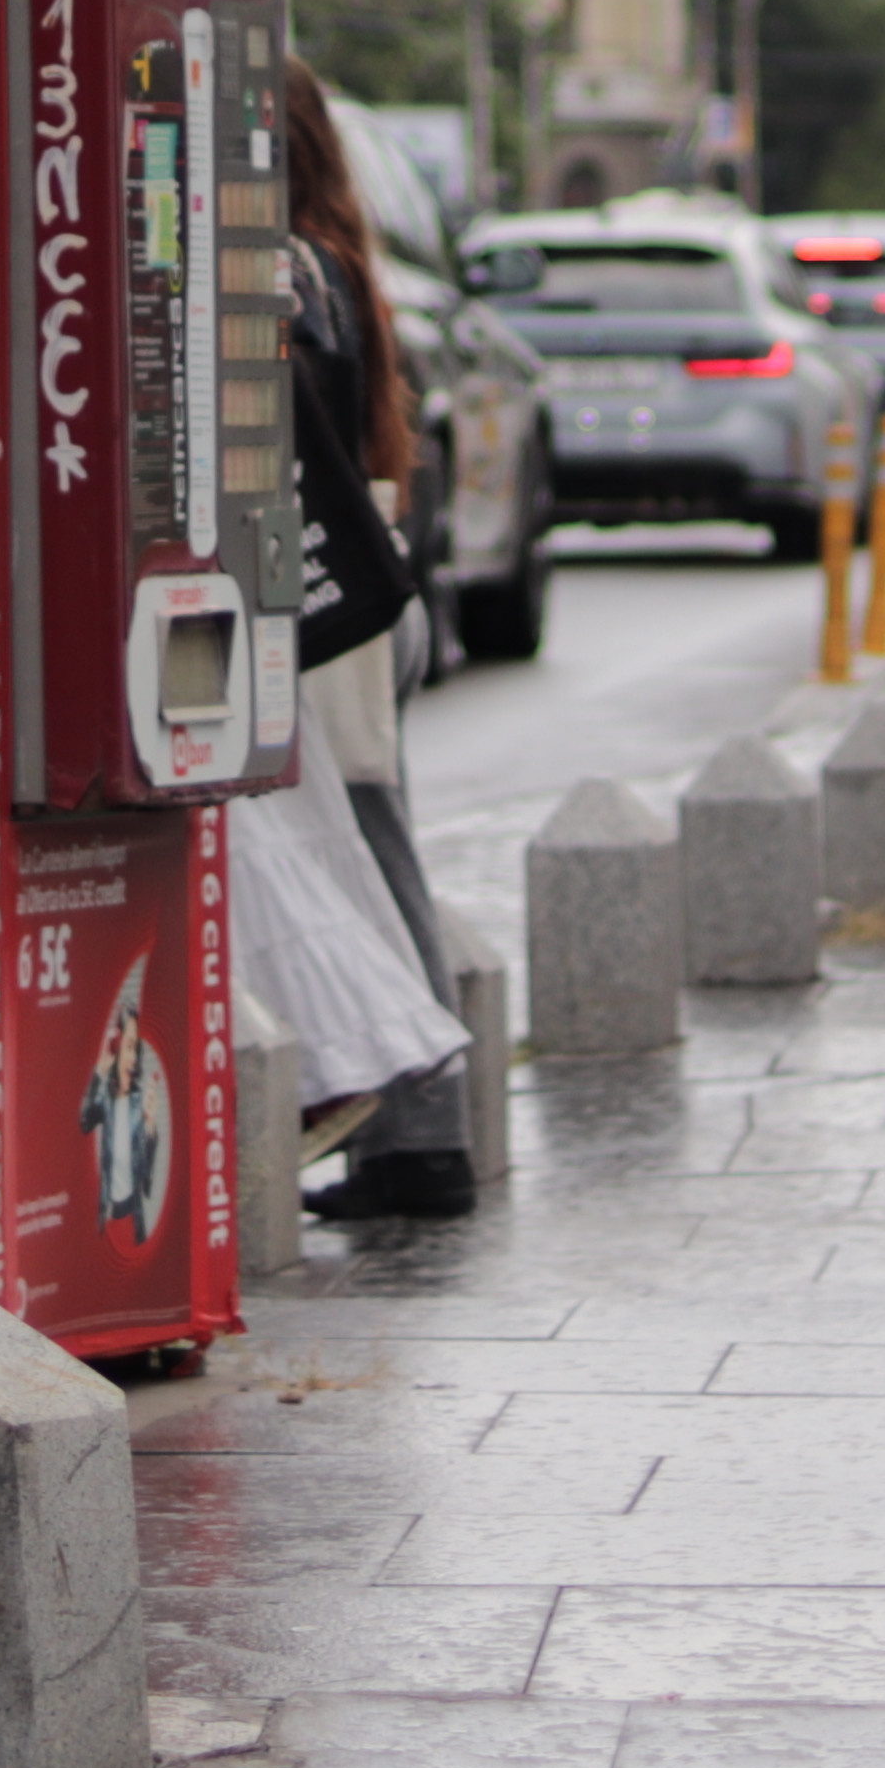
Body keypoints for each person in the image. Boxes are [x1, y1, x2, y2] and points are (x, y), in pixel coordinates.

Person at [267, 65, 477, 1220]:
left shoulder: (294, 272)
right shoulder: (338, 259)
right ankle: (408, 1131)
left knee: (373, 857)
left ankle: (422, 1137)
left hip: (331, 604)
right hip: (366, 593)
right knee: (371, 850)